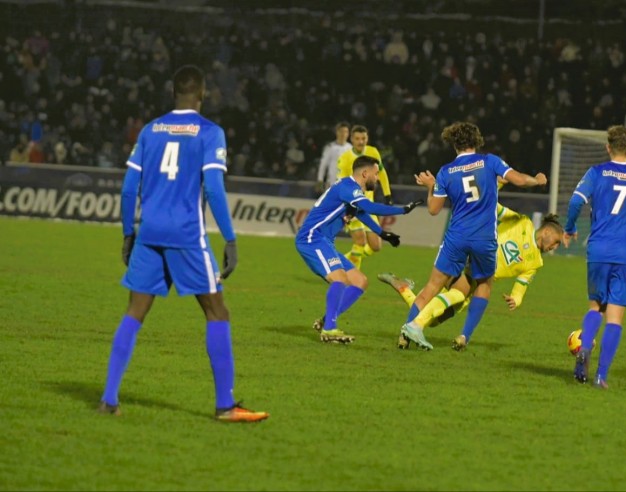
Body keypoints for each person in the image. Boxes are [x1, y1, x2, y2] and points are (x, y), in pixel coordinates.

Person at [98, 65, 268, 422]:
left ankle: (109, 399)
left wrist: (128, 233)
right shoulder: (210, 132)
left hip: (149, 233)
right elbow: (213, 189)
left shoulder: (150, 130)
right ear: (202, 94)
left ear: (173, 92)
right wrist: (230, 238)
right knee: (217, 312)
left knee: (134, 312)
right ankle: (225, 406)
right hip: (187, 235)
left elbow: (128, 189)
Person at [400, 122, 547, 351]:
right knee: (484, 284)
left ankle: (405, 334)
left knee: (433, 286)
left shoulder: (446, 171)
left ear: (454, 144)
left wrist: (431, 186)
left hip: (456, 237)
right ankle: (464, 336)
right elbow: (519, 179)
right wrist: (536, 180)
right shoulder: (490, 161)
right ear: (477, 141)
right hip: (483, 239)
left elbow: (434, 210)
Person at [380, 205, 564, 349]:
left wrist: (516, 299)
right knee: (457, 294)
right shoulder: (522, 222)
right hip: (471, 260)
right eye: (556, 242)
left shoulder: (536, 262)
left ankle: (404, 292)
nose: (554, 247)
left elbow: (522, 284)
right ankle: (438, 333)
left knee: (436, 319)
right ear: (547, 232)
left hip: (479, 279)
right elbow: (495, 208)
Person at [563, 125, 626, 389]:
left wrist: (570, 228)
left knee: (595, 306)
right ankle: (601, 376)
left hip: (599, 249)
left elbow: (575, 202)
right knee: (615, 318)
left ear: (608, 147)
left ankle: (585, 347)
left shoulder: (596, 172)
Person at [298, 155, 422, 343]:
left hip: (324, 241)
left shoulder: (350, 190)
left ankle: (326, 321)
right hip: (312, 238)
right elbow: (370, 207)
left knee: (359, 281)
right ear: (365, 173)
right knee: (340, 278)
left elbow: (361, 213)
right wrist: (403, 210)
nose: (377, 178)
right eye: (376, 174)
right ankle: (329, 330)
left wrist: (382, 233)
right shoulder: (348, 188)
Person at [336, 125, 393, 270]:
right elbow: (342, 185)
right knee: (360, 242)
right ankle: (353, 276)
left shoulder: (373, 152)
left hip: (368, 206)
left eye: (363, 138)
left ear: (367, 138)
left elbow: (381, 173)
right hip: (352, 206)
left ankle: (341, 263)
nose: (361, 142)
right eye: (357, 139)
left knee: (376, 246)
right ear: (352, 139)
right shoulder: (345, 158)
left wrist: (387, 194)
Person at [315, 121, 351, 192]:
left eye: (345, 132)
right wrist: (320, 180)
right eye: (341, 131)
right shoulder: (330, 147)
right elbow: (323, 165)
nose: (343, 134)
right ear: (337, 132)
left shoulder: (351, 148)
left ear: (348, 134)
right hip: (331, 184)